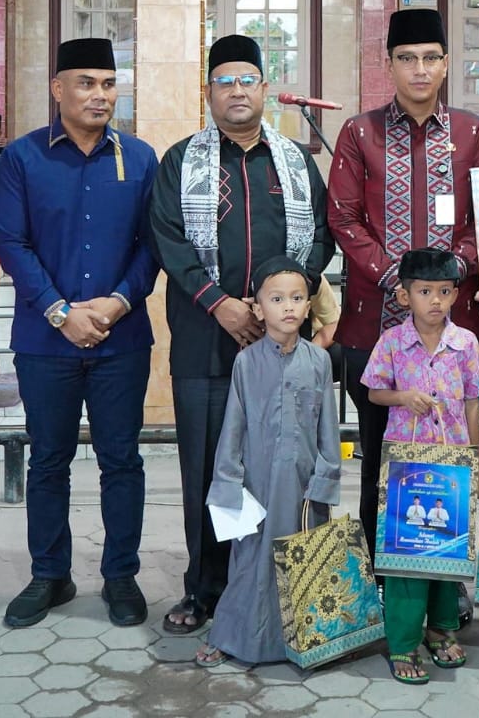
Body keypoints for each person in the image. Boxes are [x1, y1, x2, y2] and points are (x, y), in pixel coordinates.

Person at [149, 33, 334, 636]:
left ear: (263, 88)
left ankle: (285, 581)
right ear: (208, 92)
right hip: (207, 340)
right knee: (210, 466)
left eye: (246, 79)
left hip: (283, 348)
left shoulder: (295, 162)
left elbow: (322, 236)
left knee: (283, 465)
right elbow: (168, 240)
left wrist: (288, 303)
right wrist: (222, 305)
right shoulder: (182, 160)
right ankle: (207, 588)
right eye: (223, 80)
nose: (235, 90)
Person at [0, 37, 159, 629]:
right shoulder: (23, 158)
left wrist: (114, 304)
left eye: (109, 84)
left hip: (122, 340)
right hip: (44, 340)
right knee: (48, 460)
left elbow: (151, 245)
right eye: (86, 82)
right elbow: (11, 241)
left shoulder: (139, 159)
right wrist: (61, 311)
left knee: (121, 461)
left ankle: (121, 575)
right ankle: (50, 575)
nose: (100, 95)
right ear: (57, 88)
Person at [329, 8, 479, 594]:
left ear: (446, 64)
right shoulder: (359, 133)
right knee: (379, 463)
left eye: (430, 57)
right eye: (407, 58)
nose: (419, 69)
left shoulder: (473, 133)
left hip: (455, 336)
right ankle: (384, 582)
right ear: (389, 65)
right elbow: (343, 219)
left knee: (454, 461)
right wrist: (396, 283)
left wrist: (451, 277)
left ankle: (446, 588)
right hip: (375, 332)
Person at [194, 257, 341, 668]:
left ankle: (305, 643)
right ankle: (233, 637)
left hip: (303, 491)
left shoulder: (319, 361)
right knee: (251, 563)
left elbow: (328, 428)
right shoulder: (247, 361)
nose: (288, 307)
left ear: (309, 305)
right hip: (257, 486)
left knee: (304, 560)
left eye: (297, 298)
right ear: (258, 308)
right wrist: (228, 483)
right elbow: (234, 428)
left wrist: (325, 481)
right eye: (277, 299)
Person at [362, 248, 479, 685]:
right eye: (425, 291)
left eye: (444, 292)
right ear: (404, 294)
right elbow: (375, 392)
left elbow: (471, 401)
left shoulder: (465, 343)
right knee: (408, 554)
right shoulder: (392, 342)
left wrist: (473, 457)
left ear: (455, 295)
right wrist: (402, 397)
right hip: (406, 469)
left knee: (447, 551)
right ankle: (403, 641)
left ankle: (440, 629)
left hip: (451, 465)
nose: (435, 300)